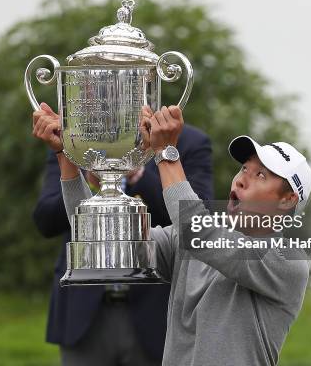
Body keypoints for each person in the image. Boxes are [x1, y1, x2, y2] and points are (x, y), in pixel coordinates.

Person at [33, 103, 311, 366]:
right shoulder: (185, 239)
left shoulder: (287, 260)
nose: (241, 178)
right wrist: (65, 156)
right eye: (244, 168)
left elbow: (199, 233)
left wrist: (165, 152)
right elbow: (99, 238)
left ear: (287, 200)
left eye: (261, 175)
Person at [32, 103, 213, 365]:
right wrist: (84, 176)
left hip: (156, 311)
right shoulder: (73, 139)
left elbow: (200, 224)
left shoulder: (189, 142)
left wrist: (137, 172)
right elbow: (45, 220)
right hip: (85, 315)